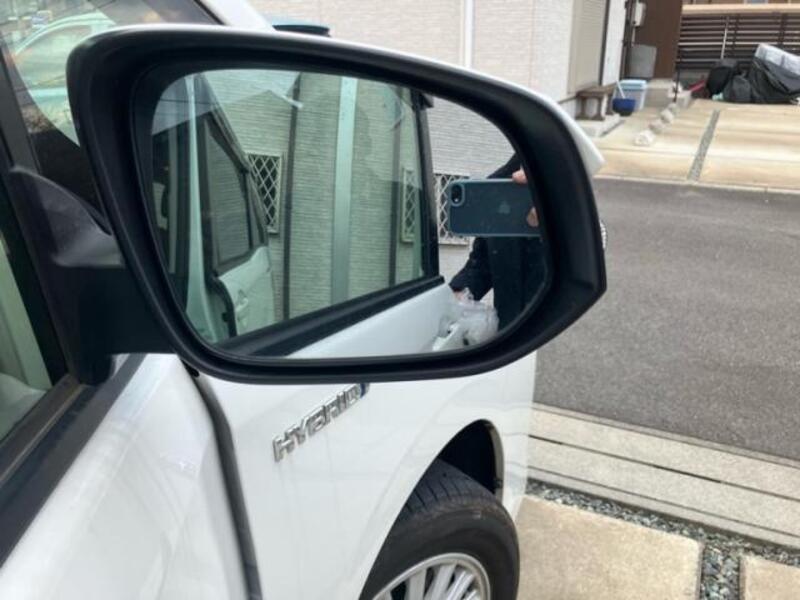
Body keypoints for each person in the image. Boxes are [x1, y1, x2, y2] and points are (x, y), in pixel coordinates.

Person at [449, 155, 547, 329]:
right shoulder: (496, 187)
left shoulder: (568, 187)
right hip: (510, 333)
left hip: (554, 330)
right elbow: (483, 264)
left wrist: (555, 223)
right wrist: (456, 294)